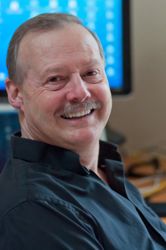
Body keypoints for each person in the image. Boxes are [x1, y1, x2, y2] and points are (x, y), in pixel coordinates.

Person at [0, 13, 166, 250]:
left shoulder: (103, 170)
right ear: (15, 94)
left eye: (91, 73)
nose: (81, 92)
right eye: (55, 79)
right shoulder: (37, 212)